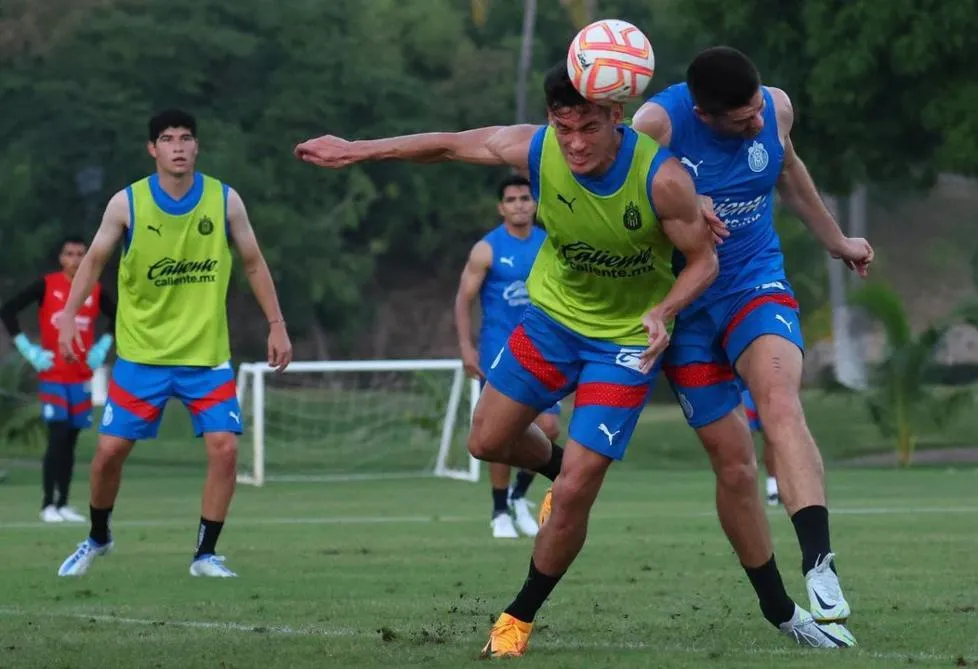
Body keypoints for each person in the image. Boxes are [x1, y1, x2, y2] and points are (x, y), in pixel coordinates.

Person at [296, 62, 723, 658]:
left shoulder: (662, 178)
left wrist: (665, 309)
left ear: (616, 117)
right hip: (552, 321)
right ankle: (557, 468)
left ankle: (518, 617)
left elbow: (704, 261)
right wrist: (358, 149)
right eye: (562, 126)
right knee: (486, 442)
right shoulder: (537, 149)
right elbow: (447, 145)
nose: (574, 142)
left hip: (625, 340)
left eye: (589, 128)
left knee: (577, 493)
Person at [632, 45, 873, 640]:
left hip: (751, 281)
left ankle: (820, 562)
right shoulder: (656, 124)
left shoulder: (776, 108)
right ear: (702, 113)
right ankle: (781, 611)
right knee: (733, 466)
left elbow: (788, 171)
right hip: (684, 304)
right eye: (742, 120)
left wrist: (836, 240)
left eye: (757, 109)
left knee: (780, 399)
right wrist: (683, 201)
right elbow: (619, 199)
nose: (757, 123)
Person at [55, 109, 292, 578]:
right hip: (142, 355)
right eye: (167, 139)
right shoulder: (127, 204)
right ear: (153, 149)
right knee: (108, 454)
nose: (178, 147)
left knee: (225, 448)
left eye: (186, 138)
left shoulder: (225, 201)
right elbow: (95, 261)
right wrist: (67, 318)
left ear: (197, 146)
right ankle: (98, 537)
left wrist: (277, 323)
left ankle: (205, 554)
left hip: (206, 357)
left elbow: (252, 263)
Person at [454, 175, 561, 539]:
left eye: (525, 198)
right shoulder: (487, 249)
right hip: (499, 353)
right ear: (501, 207)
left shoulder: (550, 244)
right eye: (511, 199)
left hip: (544, 351)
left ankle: (518, 497)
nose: (519, 204)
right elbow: (463, 299)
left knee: (548, 429)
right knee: (501, 435)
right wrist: (467, 347)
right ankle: (499, 510)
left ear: (535, 204)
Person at [0, 236, 116, 522]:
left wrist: (102, 347)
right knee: (58, 436)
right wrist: (30, 350)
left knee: (72, 440)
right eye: (70, 254)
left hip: (81, 378)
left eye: (81, 254)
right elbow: (8, 311)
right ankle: (47, 504)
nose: (76, 259)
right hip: (53, 375)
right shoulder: (47, 285)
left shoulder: (95, 289)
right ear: (61, 258)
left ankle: (63, 503)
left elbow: (119, 317)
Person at [742, 388, 779, 505]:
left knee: (772, 440)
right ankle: (745, 489)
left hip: (769, 389)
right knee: (744, 440)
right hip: (743, 389)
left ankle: (773, 490)